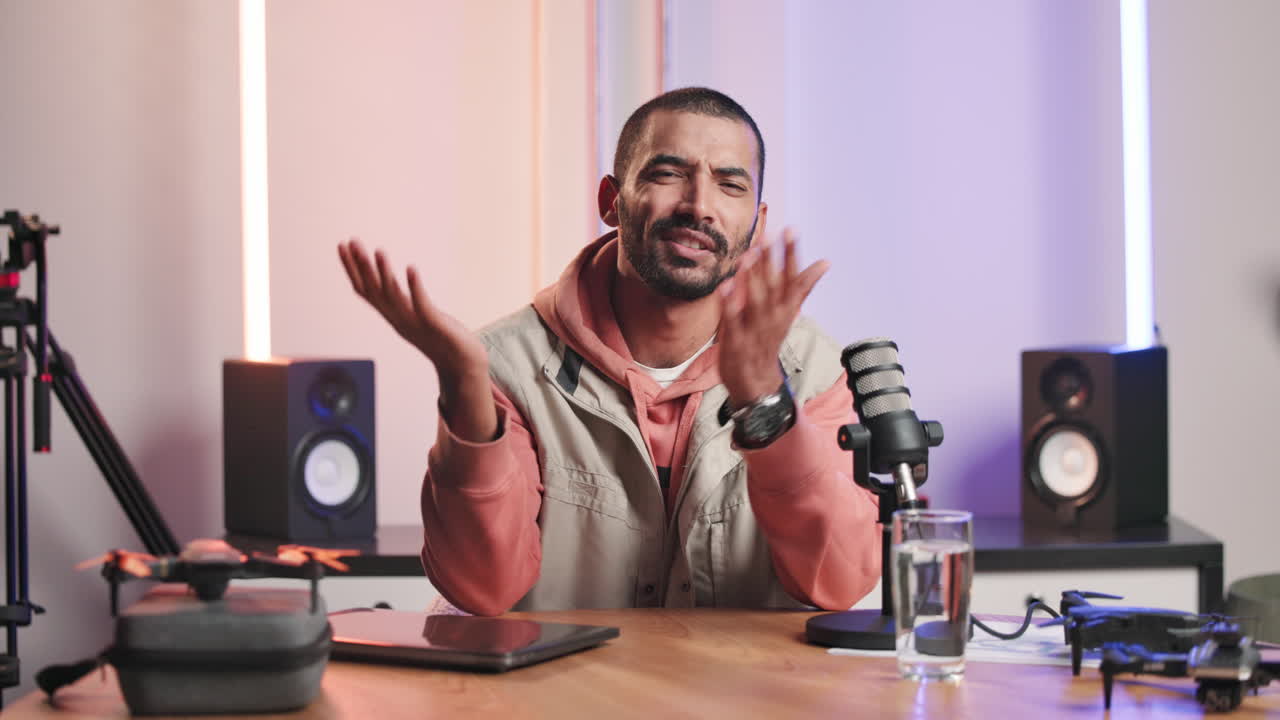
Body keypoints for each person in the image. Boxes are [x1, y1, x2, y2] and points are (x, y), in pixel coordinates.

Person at [338, 87, 880, 615]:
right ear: (611, 202)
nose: (698, 205)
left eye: (729, 184)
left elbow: (836, 581)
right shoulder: (503, 366)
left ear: (757, 225)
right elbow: (482, 588)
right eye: (668, 174)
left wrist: (765, 399)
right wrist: (462, 383)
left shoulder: (814, 372)